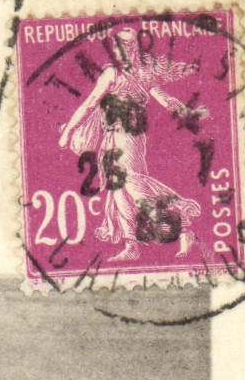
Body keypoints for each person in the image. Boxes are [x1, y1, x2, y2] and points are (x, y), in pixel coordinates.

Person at [58, 26, 205, 262]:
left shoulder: (135, 75)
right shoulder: (113, 74)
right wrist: (70, 129)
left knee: (134, 186)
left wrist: (188, 112)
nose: (117, 51)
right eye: (116, 46)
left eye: (122, 47)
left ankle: (185, 226)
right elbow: (90, 104)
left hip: (130, 137)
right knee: (118, 192)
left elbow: (164, 99)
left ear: (131, 49)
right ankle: (131, 246)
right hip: (110, 140)